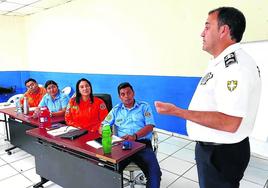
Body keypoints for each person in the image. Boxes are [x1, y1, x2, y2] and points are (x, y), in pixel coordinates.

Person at [155, 7, 261, 188]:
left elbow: (229, 122)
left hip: (220, 154)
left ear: (223, 30)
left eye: (207, 27)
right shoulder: (218, 62)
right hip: (214, 150)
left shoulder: (235, 68)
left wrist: (178, 112)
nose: (201, 33)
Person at [101, 82, 162, 188]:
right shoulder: (116, 110)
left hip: (142, 144)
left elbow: (150, 126)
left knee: (155, 173)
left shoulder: (144, 107)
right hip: (122, 145)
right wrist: (107, 132)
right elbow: (103, 125)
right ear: (120, 97)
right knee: (107, 172)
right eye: (123, 94)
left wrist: (135, 136)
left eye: (128, 93)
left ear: (133, 93)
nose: (126, 96)